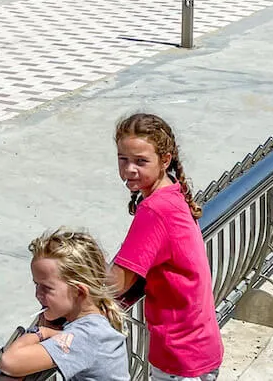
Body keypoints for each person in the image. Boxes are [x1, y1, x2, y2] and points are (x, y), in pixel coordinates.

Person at [110, 114, 222, 381]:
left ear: (165, 160)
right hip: (201, 345)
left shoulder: (154, 210)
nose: (129, 169)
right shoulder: (173, 193)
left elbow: (116, 283)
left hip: (179, 355)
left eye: (141, 161)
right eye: (123, 159)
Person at [0, 229, 129, 381]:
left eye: (46, 288)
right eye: (36, 285)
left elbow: (10, 362)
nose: (37, 294)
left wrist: (40, 332)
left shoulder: (88, 335)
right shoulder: (95, 320)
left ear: (79, 292)